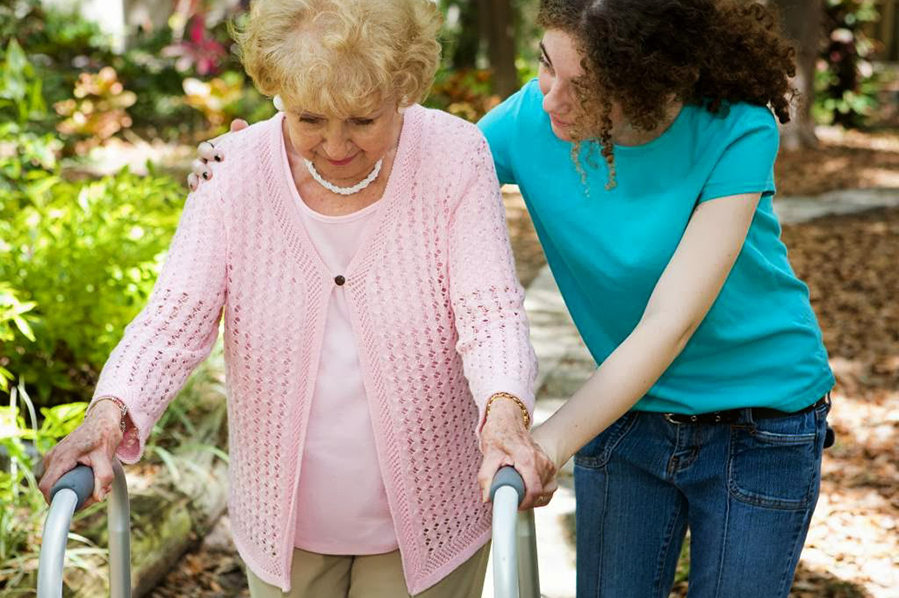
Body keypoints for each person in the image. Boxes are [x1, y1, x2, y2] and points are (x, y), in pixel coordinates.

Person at [194, 0, 836, 596]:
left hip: (762, 423)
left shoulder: (736, 128)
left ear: (645, 84)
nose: (551, 97)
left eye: (584, 87)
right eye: (547, 65)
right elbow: (413, 161)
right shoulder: (532, 119)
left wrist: (543, 443)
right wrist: (272, 161)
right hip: (626, 412)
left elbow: (670, 322)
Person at [38, 1, 555, 596]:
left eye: (362, 119)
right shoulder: (231, 172)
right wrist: (108, 415)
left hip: (434, 520)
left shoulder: (455, 155)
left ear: (404, 88)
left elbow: (489, 312)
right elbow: (171, 322)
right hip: (283, 533)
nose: (335, 145)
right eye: (309, 117)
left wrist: (505, 413)